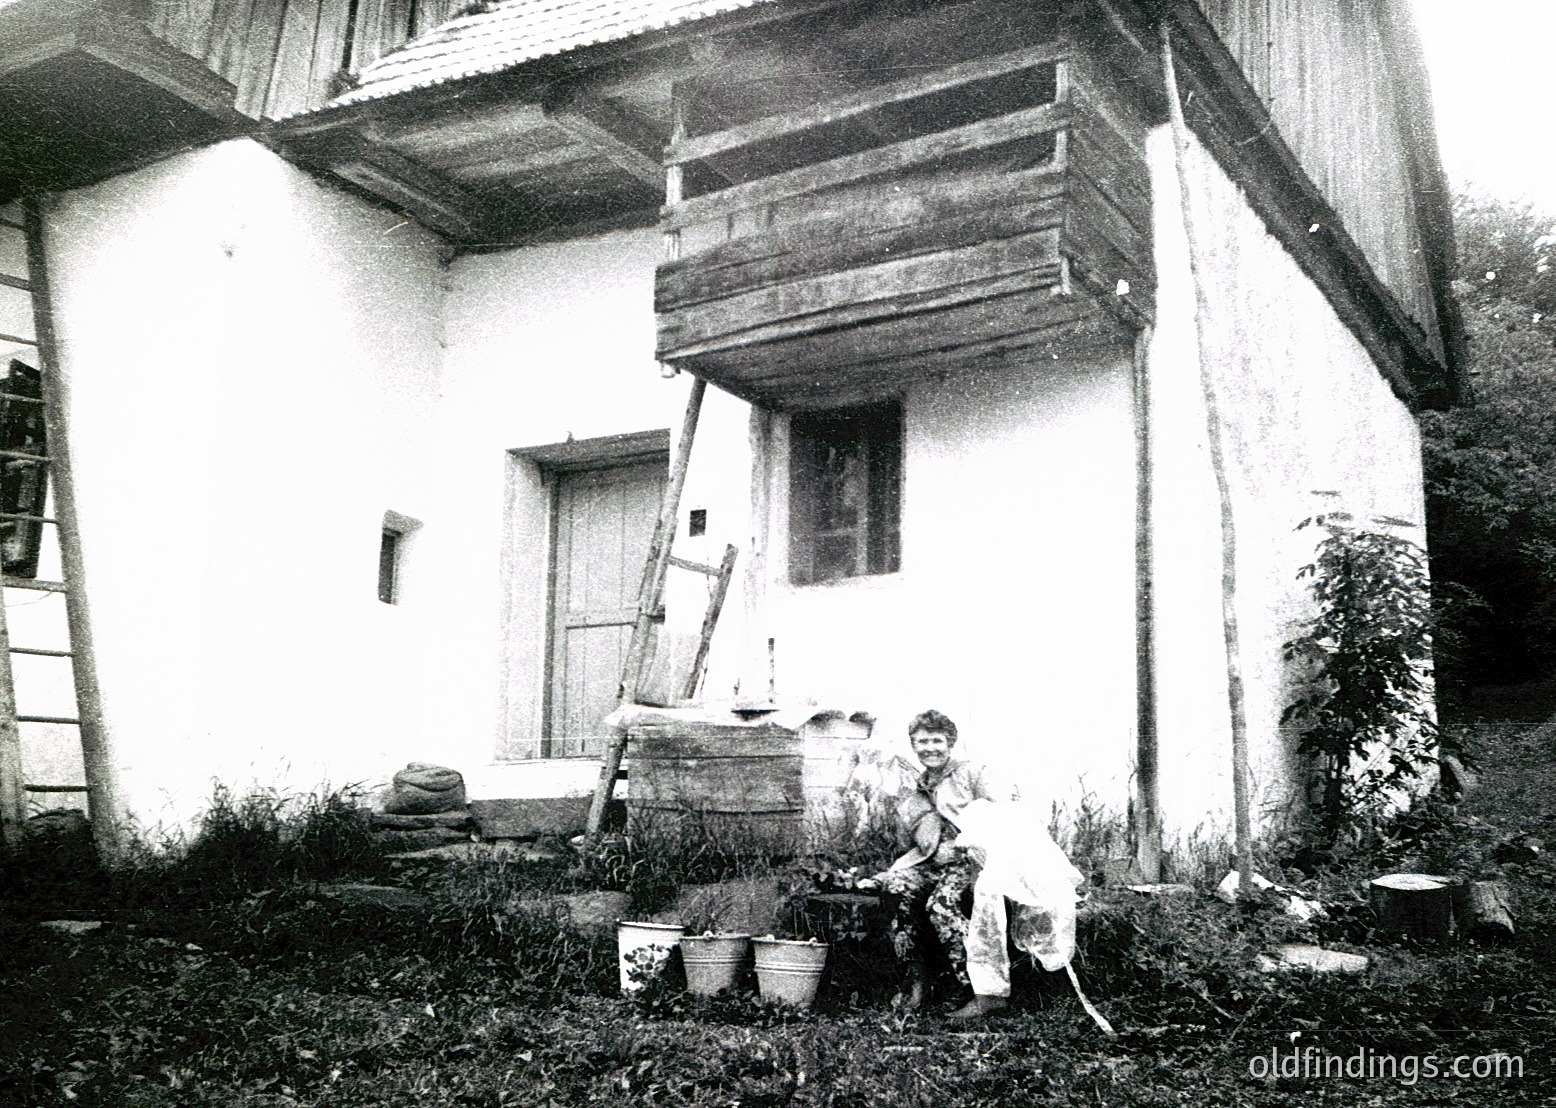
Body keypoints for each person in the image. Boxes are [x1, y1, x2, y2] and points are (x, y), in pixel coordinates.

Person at [863, 708, 1011, 1021]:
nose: (929, 747)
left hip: (972, 861)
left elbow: (1001, 817)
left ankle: (982, 992)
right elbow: (920, 840)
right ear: (913, 746)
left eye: (937, 740)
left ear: (950, 742)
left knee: (941, 907)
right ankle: (916, 983)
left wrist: (960, 847)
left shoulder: (973, 773)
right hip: (935, 863)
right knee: (896, 888)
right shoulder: (919, 785)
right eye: (921, 742)